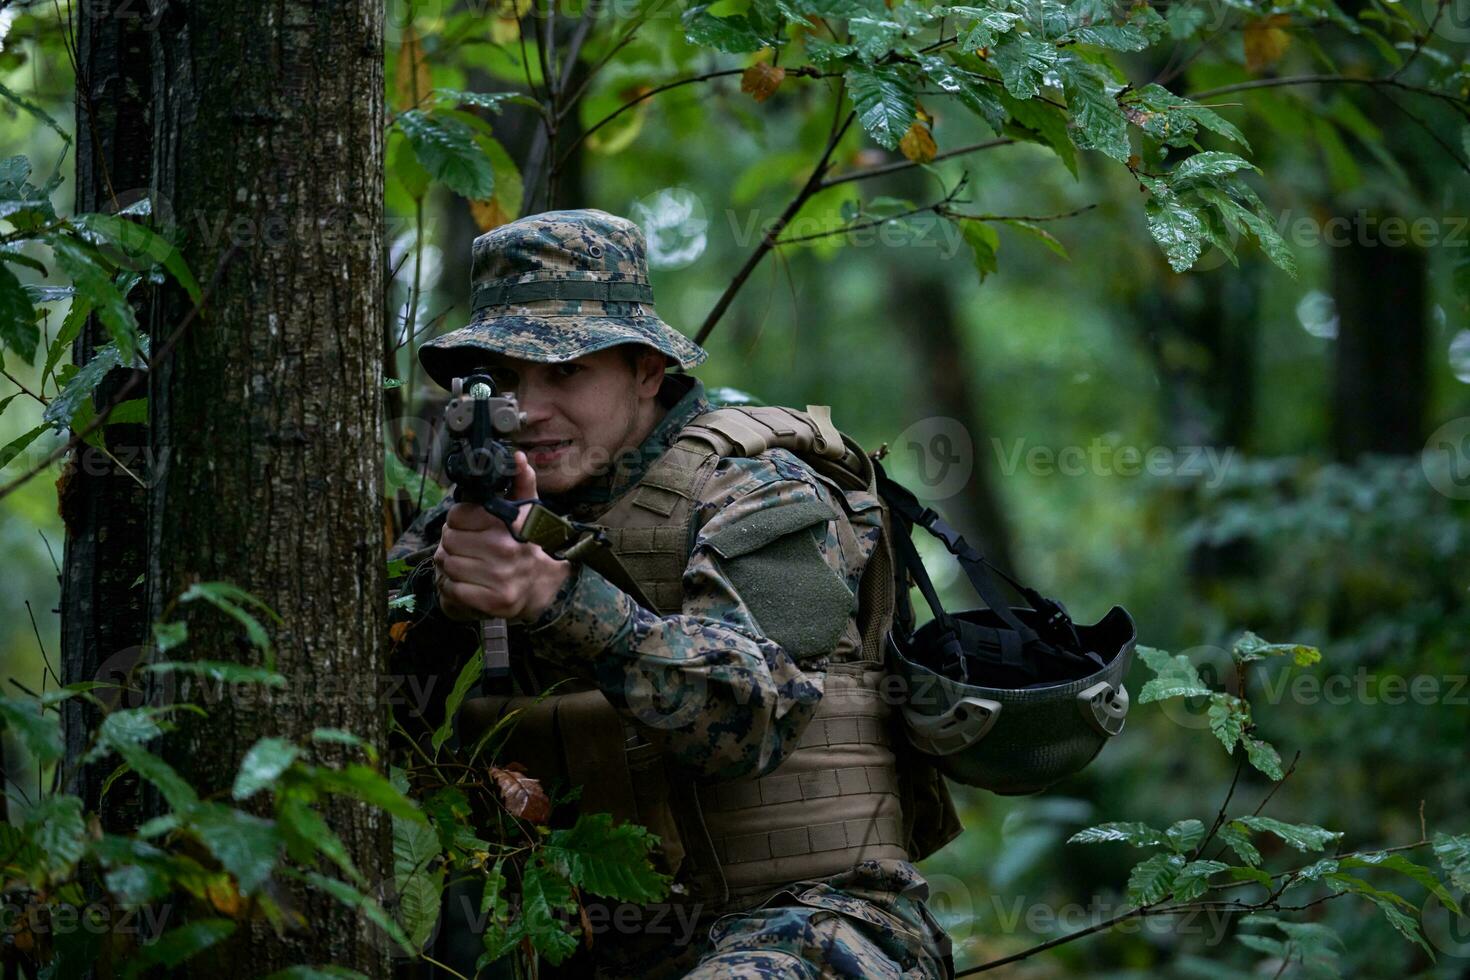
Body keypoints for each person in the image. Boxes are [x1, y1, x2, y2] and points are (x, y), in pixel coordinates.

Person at [388, 208, 958, 979]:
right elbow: (367, 732)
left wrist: (555, 600)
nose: (529, 410)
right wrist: (444, 611)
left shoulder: (761, 491)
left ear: (646, 371)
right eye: (508, 378)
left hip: (809, 917)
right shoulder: (460, 526)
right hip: (575, 946)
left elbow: (751, 717)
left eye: (566, 371)